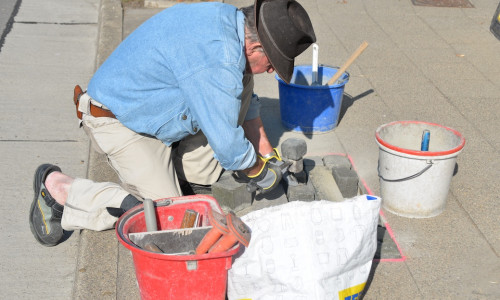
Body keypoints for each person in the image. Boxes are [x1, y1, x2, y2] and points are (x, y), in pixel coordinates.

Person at [29, 0, 316, 246]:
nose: (270, 71)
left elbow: (246, 97)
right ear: (255, 45)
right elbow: (230, 147)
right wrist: (260, 172)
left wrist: (265, 150)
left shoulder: (232, 25)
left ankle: (189, 175)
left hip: (158, 111)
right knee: (165, 219)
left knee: (242, 77)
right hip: (120, 121)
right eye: (272, 63)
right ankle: (62, 191)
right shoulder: (220, 57)